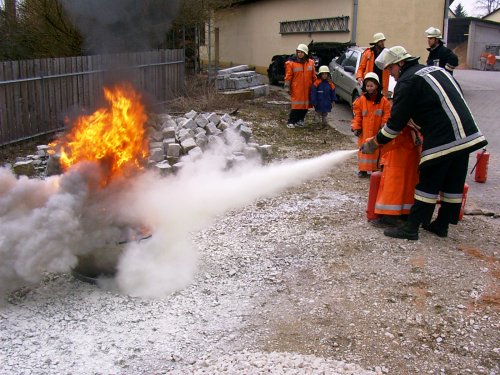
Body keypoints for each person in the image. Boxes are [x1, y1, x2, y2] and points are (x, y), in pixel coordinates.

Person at [360, 46, 488, 240]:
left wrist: (375, 143)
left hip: (443, 137)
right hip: (467, 134)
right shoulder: (435, 70)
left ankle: (411, 228)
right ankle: (442, 224)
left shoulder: (407, 81)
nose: (392, 76)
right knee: (453, 181)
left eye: (391, 70)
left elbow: (395, 125)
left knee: (428, 180)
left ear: (401, 64)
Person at [351, 72, 391, 178]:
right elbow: (357, 116)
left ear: (377, 85)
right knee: (363, 150)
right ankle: (363, 169)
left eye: (371, 86)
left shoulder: (383, 101)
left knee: (376, 150)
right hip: (364, 133)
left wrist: (383, 126)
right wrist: (356, 127)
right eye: (367, 86)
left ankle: (375, 168)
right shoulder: (361, 100)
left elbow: (387, 115)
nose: (369, 88)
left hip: (376, 132)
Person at [284, 43, 316, 129]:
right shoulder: (291, 63)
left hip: (307, 88)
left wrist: (316, 85)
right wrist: (287, 86)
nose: (300, 54)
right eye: (298, 52)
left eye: (302, 52)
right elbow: (288, 76)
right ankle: (291, 121)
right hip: (297, 88)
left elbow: (313, 76)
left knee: (306, 106)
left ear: (305, 53)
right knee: (296, 106)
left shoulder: (311, 63)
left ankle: (300, 120)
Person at [356, 32, 390, 97]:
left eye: (383, 41)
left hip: (381, 84)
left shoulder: (386, 53)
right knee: (368, 102)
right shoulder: (368, 53)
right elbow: (361, 68)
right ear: (376, 43)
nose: (382, 43)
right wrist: (359, 77)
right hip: (369, 83)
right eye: (380, 41)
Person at [310, 65, 336, 130]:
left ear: (328, 74)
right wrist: (314, 101)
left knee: (325, 115)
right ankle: (317, 125)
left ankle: (325, 125)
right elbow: (313, 93)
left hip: (327, 103)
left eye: (326, 74)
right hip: (318, 103)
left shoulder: (330, 84)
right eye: (323, 74)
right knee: (317, 114)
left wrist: (333, 100)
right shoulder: (317, 83)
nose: (324, 75)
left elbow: (333, 93)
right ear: (320, 74)